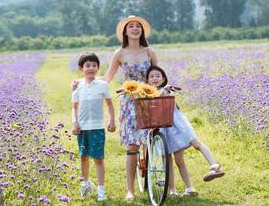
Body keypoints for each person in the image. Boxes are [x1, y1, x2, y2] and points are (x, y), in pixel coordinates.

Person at [72, 16, 157, 200]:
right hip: (130, 102)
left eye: (138, 27)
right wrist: (81, 82)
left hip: (148, 99)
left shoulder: (150, 52)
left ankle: (157, 178)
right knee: (132, 145)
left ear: (142, 31)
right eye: (131, 27)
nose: (135, 29)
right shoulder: (119, 53)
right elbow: (107, 78)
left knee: (152, 140)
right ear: (125, 32)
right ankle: (130, 190)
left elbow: (157, 76)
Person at [146, 65, 225, 196]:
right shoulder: (149, 93)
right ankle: (183, 189)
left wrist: (170, 93)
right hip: (163, 128)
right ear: (148, 80)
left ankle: (214, 166)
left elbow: (166, 98)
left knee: (196, 144)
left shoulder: (164, 90)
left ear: (163, 78)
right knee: (173, 161)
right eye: (152, 76)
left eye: (158, 76)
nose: (155, 79)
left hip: (177, 125)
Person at [71, 52, 116, 202]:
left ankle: (101, 190)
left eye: (94, 66)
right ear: (81, 68)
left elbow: (109, 104)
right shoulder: (77, 86)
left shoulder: (103, 85)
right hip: (82, 127)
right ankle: (85, 185)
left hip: (98, 127)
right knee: (83, 157)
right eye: (87, 66)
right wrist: (74, 122)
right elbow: (75, 107)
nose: (91, 68)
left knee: (98, 158)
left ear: (98, 68)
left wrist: (112, 120)